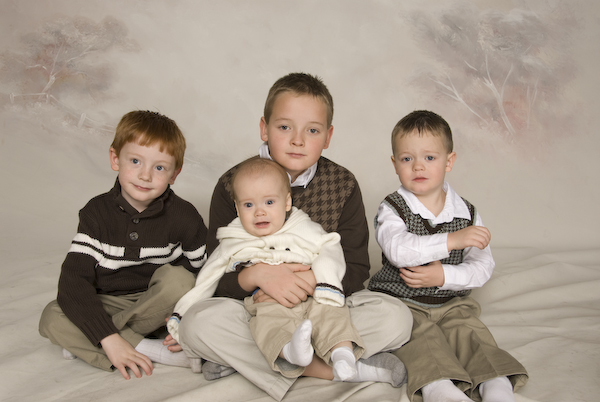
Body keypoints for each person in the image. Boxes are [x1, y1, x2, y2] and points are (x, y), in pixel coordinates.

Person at [171, 72, 413, 401]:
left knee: (396, 317)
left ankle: (248, 360)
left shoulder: (343, 184)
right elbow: (217, 275)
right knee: (197, 324)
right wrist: (258, 276)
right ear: (264, 128)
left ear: (327, 136)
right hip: (258, 310)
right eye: (284, 127)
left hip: (326, 306)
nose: (297, 140)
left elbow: (356, 269)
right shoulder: (233, 184)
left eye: (312, 130)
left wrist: (309, 281)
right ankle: (335, 367)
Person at [169, 157, 379, 382]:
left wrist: (322, 283)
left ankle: (342, 355)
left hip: (316, 296)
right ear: (237, 209)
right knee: (263, 324)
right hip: (266, 303)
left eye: (269, 202)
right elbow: (208, 277)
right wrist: (181, 317)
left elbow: (329, 248)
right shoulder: (233, 238)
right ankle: (294, 354)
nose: (259, 212)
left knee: (341, 313)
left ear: (287, 203)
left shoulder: (303, 226)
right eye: (248, 205)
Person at [368, 110, 528, 402]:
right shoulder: (392, 208)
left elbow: (482, 265)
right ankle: (439, 388)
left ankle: (495, 383)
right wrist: (452, 241)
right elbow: (398, 249)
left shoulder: (466, 212)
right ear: (395, 164)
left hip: (451, 302)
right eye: (407, 158)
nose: (418, 166)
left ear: (449, 161)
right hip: (403, 302)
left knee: (471, 333)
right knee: (420, 340)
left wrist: (444, 276)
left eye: (430, 157)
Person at [39, 110, 208, 380]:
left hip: (158, 304)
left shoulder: (184, 216)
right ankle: (146, 348)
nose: (145, 175)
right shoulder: (96, 213)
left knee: (181, 281)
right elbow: (73, 280)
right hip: (108, 301)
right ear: (115, 159)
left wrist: (183, 315)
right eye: (135, 161)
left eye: (159, 168)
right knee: (52, 316)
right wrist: (108, 337)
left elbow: (206, 273)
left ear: (174, 174)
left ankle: (89, 337)